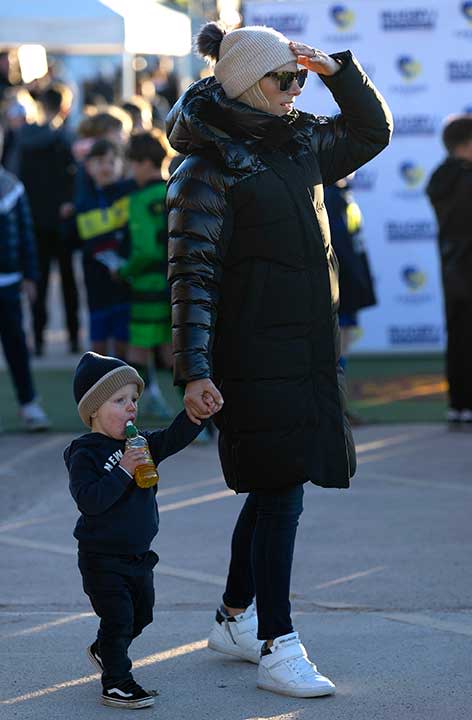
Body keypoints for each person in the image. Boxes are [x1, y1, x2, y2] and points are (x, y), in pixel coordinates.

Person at [166, 22, 392, 698]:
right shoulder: (204, 168)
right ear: (243, 84)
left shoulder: (299, 141)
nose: (295, 89)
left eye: (298, 78)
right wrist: (196, 368)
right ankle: (277, 645)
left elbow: (370, 133)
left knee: (274, 488)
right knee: (281, 492)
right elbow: (192, 277)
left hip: (309, 350)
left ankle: (235, 617)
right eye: (283, 78)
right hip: (252, 356)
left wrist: (338, 73)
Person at [64, 351, 211, 709]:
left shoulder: (140, 443)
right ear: (94, 410)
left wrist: (196, 416)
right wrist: (124, 469)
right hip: (102, 559)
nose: (131, 407)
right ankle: (116, 681)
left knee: (141, 615)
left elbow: (173, 438)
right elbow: (90, 500)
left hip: (139, 557)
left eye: (133, 399)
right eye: (119, 400)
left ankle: (105, 650)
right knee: (119, 618)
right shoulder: (84, 452)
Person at [16, 83, 80, 356]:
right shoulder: (64, 140)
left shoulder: (22, 138)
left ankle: (39, 339)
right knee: (68, 283)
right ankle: (74, 337)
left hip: (34, 219)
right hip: (61, 220)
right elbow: (73, 180)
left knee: (38, 283)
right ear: (64, 107)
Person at [118, 130, 174, 418]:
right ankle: (200, 414)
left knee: (138, 348)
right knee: (171, 348)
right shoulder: (173, 190)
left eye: (132, 164)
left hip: (147, 283)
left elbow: (144, 251)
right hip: (175, 282)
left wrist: (123, 270)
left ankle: (141, 407)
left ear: (142, 163)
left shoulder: (139, 200)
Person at [0, 124, 50, 431]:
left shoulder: (12, 186)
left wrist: (31, 276)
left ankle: (28, 403)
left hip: (8, 283)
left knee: (16, 344)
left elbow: (27, 236)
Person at [426, 115, 472, 424]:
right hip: (466, 264)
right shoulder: (466, 179)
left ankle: (458, 405)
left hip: (451, 269)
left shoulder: (439, 176)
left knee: (458, 335)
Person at [74, 139, 134, 357]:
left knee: (123, 346)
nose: (106, 167)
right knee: (97, 349)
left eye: (111, 161)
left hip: (125, 283)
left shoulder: (130, 194)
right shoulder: (82, 203)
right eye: (99, 162)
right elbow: (77, 241)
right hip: (96, 284)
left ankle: (134, 389)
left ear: (122, 165)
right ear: (88, 167)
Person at [324, 176, 377, 424]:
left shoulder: (344, 194)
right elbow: (334, 248)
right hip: (338, 288)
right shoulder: (328, 195)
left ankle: (339, 407)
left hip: (350, 286)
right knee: (335, 349)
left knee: (343, 346)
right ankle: (335, 409)